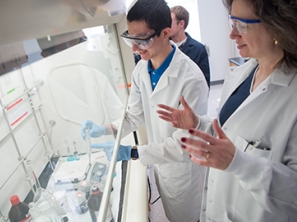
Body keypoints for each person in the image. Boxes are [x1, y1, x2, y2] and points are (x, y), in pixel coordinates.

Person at [157, 0, 297, 221]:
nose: (232, 34)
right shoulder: (246, 72)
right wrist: (199, 124)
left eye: (241, 25)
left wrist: (240, 164)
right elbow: (232, 135)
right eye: (232, 22)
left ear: (280, 26)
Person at [81, 0, 209, 221]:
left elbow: (184, 146)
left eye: (142, 40)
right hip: (162, 168)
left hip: (183, 173)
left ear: (166, 33)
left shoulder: (191, 79)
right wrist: (103, 129)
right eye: (131, 38)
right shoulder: (141, 70)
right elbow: (133, 115)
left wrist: (133, 152)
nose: (134, 48)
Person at [170, 5, 210, 88]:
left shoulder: (199, 49)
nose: (166, 26)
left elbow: (204, 83)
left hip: (189, 97)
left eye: (170, 22)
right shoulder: (162, 47)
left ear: (181, 24)